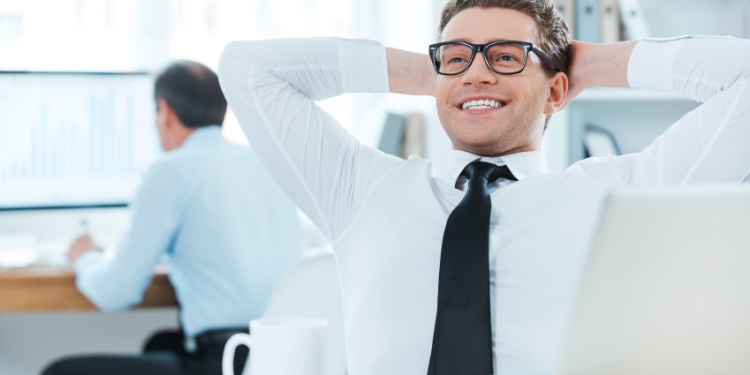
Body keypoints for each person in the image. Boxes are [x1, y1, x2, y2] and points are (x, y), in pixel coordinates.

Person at [217, 0, 750, 374]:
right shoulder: (361, 190)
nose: (477, 74)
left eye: (505, 57)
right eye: (457, 57)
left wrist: (597, 65)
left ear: (557, 89)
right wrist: (430, 73)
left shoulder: (623, 197)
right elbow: (247, 69)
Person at [42, 61, 302, 375]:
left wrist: (86, 259)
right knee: (161, 344)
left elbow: (116, 293)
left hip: (223, 361)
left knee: (59, 371)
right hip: (280, 355)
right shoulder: (264, 162)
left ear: (164, 111)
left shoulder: (171, 170)